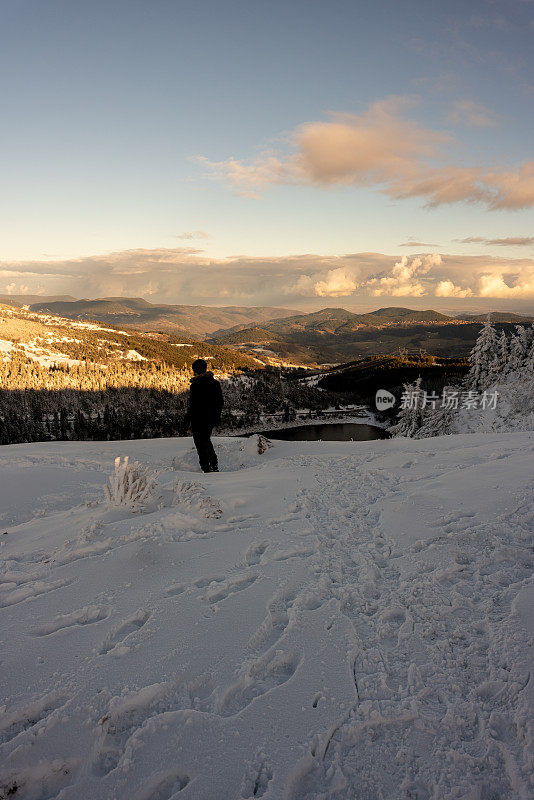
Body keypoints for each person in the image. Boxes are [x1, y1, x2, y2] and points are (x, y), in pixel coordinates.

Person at [183, 359, 224, 473]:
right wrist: (216, 417)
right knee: (206, 441)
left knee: (200, 444)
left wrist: (187, 422)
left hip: (197, 419)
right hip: (210, 419)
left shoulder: (195, 385)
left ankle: (206, 468)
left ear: (195, 370)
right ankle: (213, 465)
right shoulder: (215, 383)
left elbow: (192, 406)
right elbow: (220, 402)